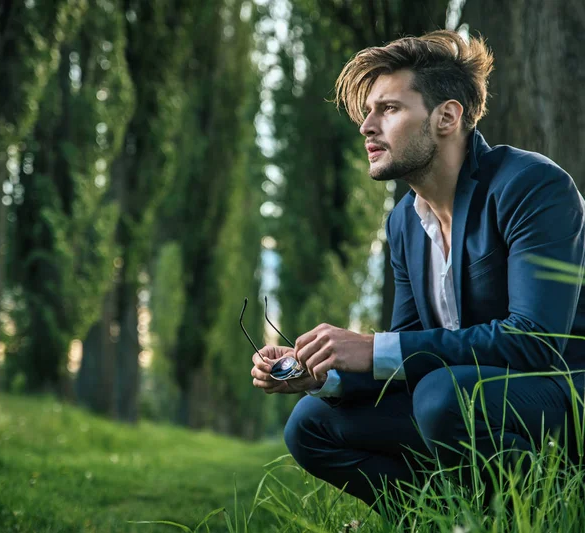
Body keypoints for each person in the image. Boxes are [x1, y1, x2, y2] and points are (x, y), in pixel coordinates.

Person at [250, 30, 585, 507]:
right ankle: (441, 517)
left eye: (388, 109)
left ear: (446, 116)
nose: (367, 126)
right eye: (367, 112)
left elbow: (535, 341)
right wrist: (325, 374)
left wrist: (371, 347)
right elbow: (405, 355)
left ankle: (549, 508)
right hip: (460, 396)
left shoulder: (531, 186)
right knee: (311, 422)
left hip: (564, 393)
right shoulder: (405, 221)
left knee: (443, 396)